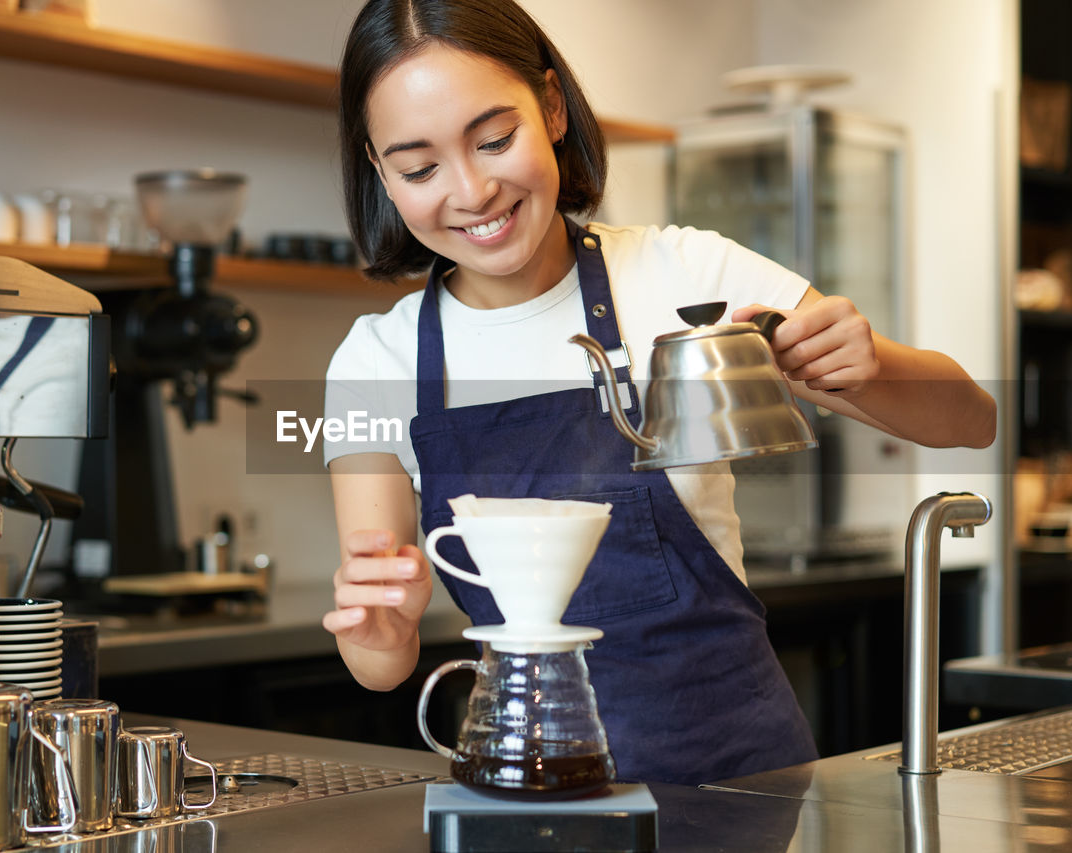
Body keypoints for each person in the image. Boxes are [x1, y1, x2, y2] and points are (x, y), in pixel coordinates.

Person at [321, 0, 996, 786]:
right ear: (379, 171)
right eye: (419, 168)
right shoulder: (376, 361)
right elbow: (376, 662)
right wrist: (382, 626)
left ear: (550, 106)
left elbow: (971, 418)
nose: (471, 191)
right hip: (532, 782)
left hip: (744, 785)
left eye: (495, 139)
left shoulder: (686, 275)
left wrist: (868, 361)